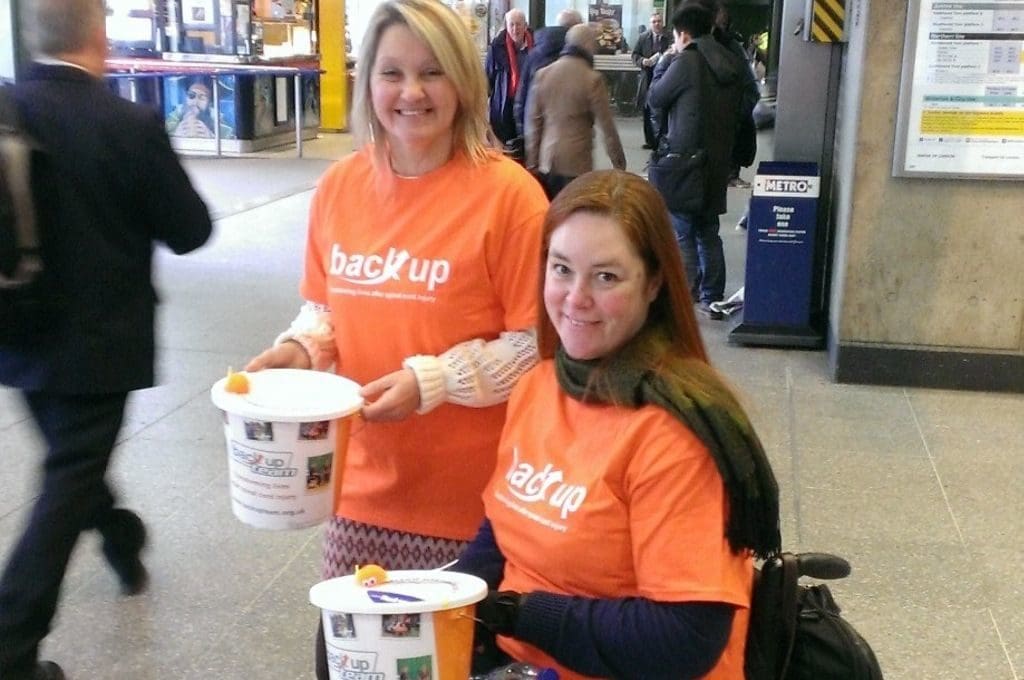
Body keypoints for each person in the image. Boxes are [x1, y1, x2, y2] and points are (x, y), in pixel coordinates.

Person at [240, 1, 548, 677]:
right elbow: (325, 307)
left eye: (432, 72)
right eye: (392, 73)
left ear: (465, 82)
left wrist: (431, 383)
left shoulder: (512, 197)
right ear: (366, 83)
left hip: (474, 510)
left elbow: (534, 347)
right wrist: (302, 349)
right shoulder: (341, 186)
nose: (411, 92)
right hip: (361, 495)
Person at [455, 170, 781, 679]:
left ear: (653, 283)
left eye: (606, 277)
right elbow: (501, 533)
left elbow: (685, 637)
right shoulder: (539, 386)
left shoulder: (672, 433)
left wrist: (520, 614)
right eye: (561, 269)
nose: (575, 297)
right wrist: (439, 597)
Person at [0, 1, 214, 678]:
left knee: (73, 463)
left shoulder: (5, 109)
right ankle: (10, 643)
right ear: (99, 35)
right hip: (101, 344)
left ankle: (120, 536)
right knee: (69, 476)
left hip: (15, 334)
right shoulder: (127, 123)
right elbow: (190, 229)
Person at [648, 5, 743, 320]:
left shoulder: (686, 61)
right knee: (708, 230)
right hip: (717, 162)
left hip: (686, 163)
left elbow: (656, 98)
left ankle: (684, 297)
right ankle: (712, 296)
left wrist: (664, 62)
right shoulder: (730, 61)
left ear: (683, 34)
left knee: (684, 232)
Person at [524, 23, 625, 199]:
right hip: (577, 164)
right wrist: (619, 163)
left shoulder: (543, 74)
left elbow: (534, 123)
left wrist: (532, 162)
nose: (595, 48)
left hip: (547, 161)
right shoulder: (592, 79)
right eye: (594, 43)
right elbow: (607, 128)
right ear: (586, 45)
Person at [512, 8, 583, 140]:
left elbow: (521, 98)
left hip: (535, 129)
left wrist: (523, 132)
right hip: (569, 135)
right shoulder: (578, 59)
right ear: (576, 29)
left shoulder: (534, 54)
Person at [486, 8, 533, 147]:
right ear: (506, 26)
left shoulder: (537, 48)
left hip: (529, 107)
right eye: (511, 24)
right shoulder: (496, 48)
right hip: (503, 109)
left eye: (518, 24)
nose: (515, 29)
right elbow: (487, 81)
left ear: (526, 25)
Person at [631, 12, 671, 149]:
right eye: (654, 22)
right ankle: (650, 141)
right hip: (647, 76)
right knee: (647, 108)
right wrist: (643, 61)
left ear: (663, 23)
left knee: (662, 109)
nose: (657, 24)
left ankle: (662, 139)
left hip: (665, 76)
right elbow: (635, 55)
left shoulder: (669, 37)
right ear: (650, 24)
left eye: (659, 21)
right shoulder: (643, 38)